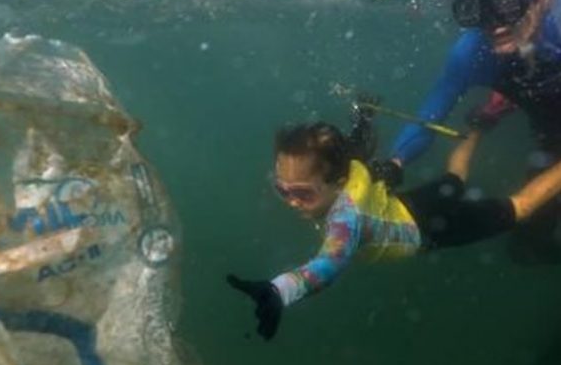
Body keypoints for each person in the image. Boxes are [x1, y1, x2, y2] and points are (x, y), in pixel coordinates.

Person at [228, 109, 561, 340]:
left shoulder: (346, 220)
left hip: (428, 231)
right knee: (455, 180)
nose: (291, 201)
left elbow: (328, 264)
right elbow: (354, 152)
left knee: (521, 207)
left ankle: (482, 128)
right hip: (405, 205)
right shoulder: (347, 167)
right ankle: (480, 124)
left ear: (337, 182)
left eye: (302, 193)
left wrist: (278, 291)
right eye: (281, 189)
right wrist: (362, 123)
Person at [377, 0, 561, 264]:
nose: (495, 26)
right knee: (527, 246)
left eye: (506, 5)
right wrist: (394, 162)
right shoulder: (472, 53)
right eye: (480, 11)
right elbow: (429, 115)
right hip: (554, 137)